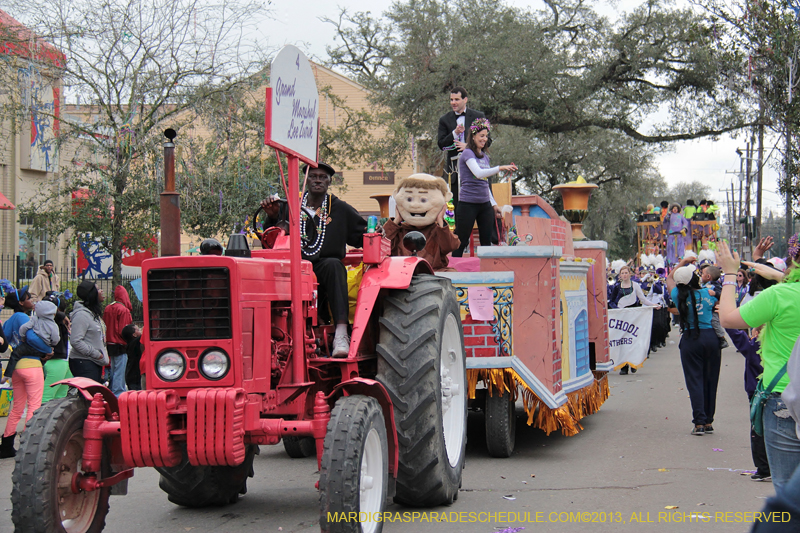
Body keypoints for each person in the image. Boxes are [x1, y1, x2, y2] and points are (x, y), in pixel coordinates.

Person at [260, 162, 369, 357]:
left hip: (322, 267)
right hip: (293, 266)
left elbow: (362, 235)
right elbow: (271, 240)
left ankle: (341, 334)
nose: (318, 180)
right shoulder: (288, 207)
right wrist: (273, 216)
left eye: (322, 177)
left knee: (334, 266)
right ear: (305, 180)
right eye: (313, 176)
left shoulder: (340, 209)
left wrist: (377, 231)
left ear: (329, 182)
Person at [717, 240, 800, 496]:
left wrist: (730, 274)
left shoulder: (779, 296)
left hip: (785, 398)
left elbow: (728, 318)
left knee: (789, 493)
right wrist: (777, 275)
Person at [666, 258, 722, 436]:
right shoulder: (707, 292)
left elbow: (669, 278)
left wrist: (681, 262)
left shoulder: (678, 295)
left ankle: (699, 423)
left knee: (694, 381)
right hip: (710, 337)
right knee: (711, 380)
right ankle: (708, 421)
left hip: (691, 338)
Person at [451, 118, 517, 257]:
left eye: (486, 136)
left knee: (487, 241)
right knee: (461, 240)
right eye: (481, 136)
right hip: (468, 204)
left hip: (484, 204)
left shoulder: (485, 157)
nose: (484, 139)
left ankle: (487, 268)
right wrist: (500, 168)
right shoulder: (467, 153)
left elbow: (484, 183)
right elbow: (479, 173)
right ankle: (454, 266)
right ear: (473, 136)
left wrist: (493, 204)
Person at [384, 173, 461, 271]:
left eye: (423, 200)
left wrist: (441, 221)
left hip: (433, 273)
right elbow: (381, 245)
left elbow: (451, 246)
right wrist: (395, 222)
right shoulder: (398, 230)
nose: (415, 205)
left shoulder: (438, 231)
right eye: (409, 199)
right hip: (402, 273)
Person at [437, 86, 487, 213]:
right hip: (455, 172)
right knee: (457, 209)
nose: (453, 103)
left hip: (477, 168)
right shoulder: (444, 120)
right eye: (451, 100)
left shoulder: (478, 116)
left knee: (483, 207)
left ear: (465, 100)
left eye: (457, 99)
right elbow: (441, 145)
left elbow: (488, 141)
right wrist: (454, 133)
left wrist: (469, 146)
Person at [608, 264, 661, 374]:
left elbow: (643, 299)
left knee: (633, 340)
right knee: (622, 341)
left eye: (626, 273)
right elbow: (611, 302)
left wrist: (653, 305)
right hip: (621, 317)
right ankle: (624, 366)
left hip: (633, 316)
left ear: (630, 274)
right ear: (620, 275)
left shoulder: (635, 285)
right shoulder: (617, 287)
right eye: (622, 273)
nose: (624, 275)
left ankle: (633, 362)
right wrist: (617, 309)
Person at [69, 280, 109, 383]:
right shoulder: (81, 315)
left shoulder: (93, 313)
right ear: (92, 294)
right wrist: (96, 354)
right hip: (84, 362)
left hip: (95, 362)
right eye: (98, 289)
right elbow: (76, 341)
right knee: (89, 392)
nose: (101, 291)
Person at [41, 292, 73, 403]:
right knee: (48, 397)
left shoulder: (57, 321)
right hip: (57, 362)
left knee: (59, 397)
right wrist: (62, 316)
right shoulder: (51, 320)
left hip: (62, 361)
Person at [103, 286, 133, 396]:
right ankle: (118, 395)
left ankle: (111, 392)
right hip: (120, 344)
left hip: (109, 343)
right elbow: (123, 330)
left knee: (112, 370)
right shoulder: (123, 310)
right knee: (120, 371)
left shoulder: (108, 308)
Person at [122, 324, 144, 391]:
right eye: (138, 329)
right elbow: (145, 335)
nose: (140, 330)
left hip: (132, 376)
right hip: (134, 377)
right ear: (134, 335)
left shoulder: (130, 345)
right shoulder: (134, 343)